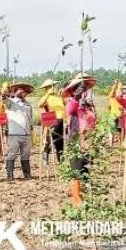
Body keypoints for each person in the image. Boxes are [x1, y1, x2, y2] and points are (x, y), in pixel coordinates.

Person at [64, 78, 97, 206]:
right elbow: (70, 110)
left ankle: (85, 196)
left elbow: (93, 121)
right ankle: (76, 199)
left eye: (82, 89)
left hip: (88, 141)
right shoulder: (72, 103)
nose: (82, 91)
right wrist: (77, 97)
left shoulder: (88, 106)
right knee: (76, 170)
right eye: (78, 89)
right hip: (76, 140)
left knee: (86, 170)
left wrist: (88, 105)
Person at [4, 83, 34, 181]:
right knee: (12, 154)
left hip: (26, 134)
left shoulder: (28, 105)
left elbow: (30, 119)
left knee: (25, 155)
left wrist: (31, 131)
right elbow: (3, 98)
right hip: (14, 134)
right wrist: (4, 93)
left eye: (24, 91)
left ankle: (27, 175)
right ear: (15, 91)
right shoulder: (11, 102)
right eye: (19, 90)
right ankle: (10, 176)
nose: (22, 92)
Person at [38, 79, 65, 162]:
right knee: (47, 141)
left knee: (59, 141)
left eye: (54, 86)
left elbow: (64, 108)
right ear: (46, 89)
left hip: (61, 121)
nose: (54, 88)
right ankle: (45, 159)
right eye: (51, 87)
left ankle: (61, 161)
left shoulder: (59, 97)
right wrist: (47, 94)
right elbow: (40, 104)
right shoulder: (45, 97)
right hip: (51, 120)